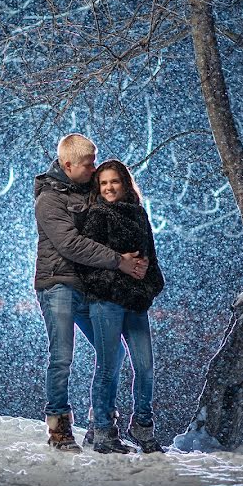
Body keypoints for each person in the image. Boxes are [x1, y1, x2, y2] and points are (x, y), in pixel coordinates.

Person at [34, 134, 149, 452]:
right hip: (57, 284)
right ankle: (59, 427)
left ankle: (101, 424)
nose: (94, 169)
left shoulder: (89, 189)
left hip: (86, 286)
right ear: (68, 165)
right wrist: (119, 263)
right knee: (62, 357)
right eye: (88, 164)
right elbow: (71, 244)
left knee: (113, 353)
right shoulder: (48, 200)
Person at [77, 159, 165, 454]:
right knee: (107, 367)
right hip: (106, 300)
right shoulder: (96, 215)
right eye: (103, 183)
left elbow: (151, 259)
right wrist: (121, 269)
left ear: (125, 183)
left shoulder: (139, 214)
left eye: (114, 181)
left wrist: (148, 286)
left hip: (135, 300)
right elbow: (86, 263)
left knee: (145, 366)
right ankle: (102, 429)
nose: (109, 187)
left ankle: (142, 425)